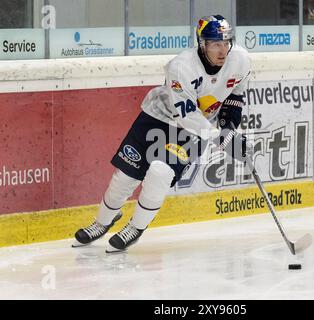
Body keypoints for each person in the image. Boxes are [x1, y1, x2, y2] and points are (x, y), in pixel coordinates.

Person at [72, 14, 252, 253]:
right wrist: (220, 137)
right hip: (157, 117)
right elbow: (186, 115)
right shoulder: (182, 66)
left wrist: (229, 126)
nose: (223, 50)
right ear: (202, 44)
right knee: (125, 177)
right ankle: (102, 221)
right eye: (216, 44)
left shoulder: (240, 59)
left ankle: (135, 227)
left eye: (226, 42)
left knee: (161, 172)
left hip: (192, 132)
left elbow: (235, 94)